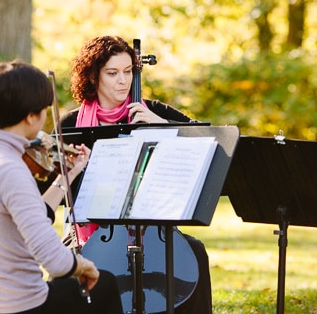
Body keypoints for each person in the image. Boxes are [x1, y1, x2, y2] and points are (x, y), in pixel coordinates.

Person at [0, 60, 123, 314]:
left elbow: (32, 212)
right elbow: (53, 260)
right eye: (44, 110)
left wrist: (69, 174)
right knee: (106, 283)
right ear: (31, 116)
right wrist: (84, 266)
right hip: (15, 307)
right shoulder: (11, 168)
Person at [60, 35, 212, 314]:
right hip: (93, 230)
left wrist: (162, 125)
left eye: (128, 71)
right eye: (113, 73)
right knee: (68, 259)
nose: (123, 81)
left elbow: (208, 136)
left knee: (196, 252)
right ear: (93, 77)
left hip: (153, 228)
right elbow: (60, 192)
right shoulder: (71, 124)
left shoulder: (150, 110)